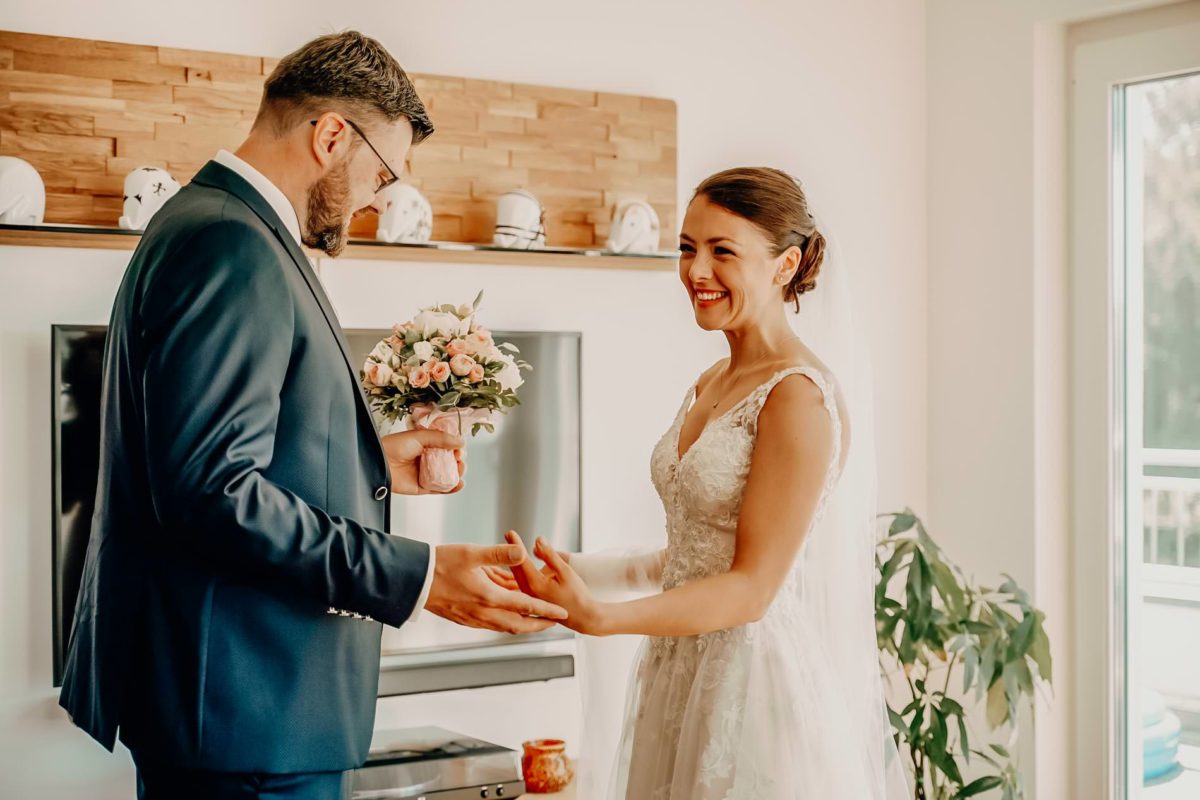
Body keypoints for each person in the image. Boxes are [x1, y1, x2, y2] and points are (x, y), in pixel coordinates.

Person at [58, 31, 564, 800]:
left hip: (246, 712)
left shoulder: (216, 226)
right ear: (332, 135)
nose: (375, 197)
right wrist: (421, 576)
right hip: (246, 716)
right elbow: (212, 493)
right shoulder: (231, 244)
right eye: (382, 173)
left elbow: (223, 460)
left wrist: (370, 462)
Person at [495, 167, 907, 798]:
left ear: (785, 265)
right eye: (688, 248)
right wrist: (566, 571)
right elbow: (689, 554)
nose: (696, 272)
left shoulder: (797, 397)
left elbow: (750, 588)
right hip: (678, 667)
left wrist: (603, 618)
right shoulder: (712, 381)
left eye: (722, 251)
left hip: (750, 684)